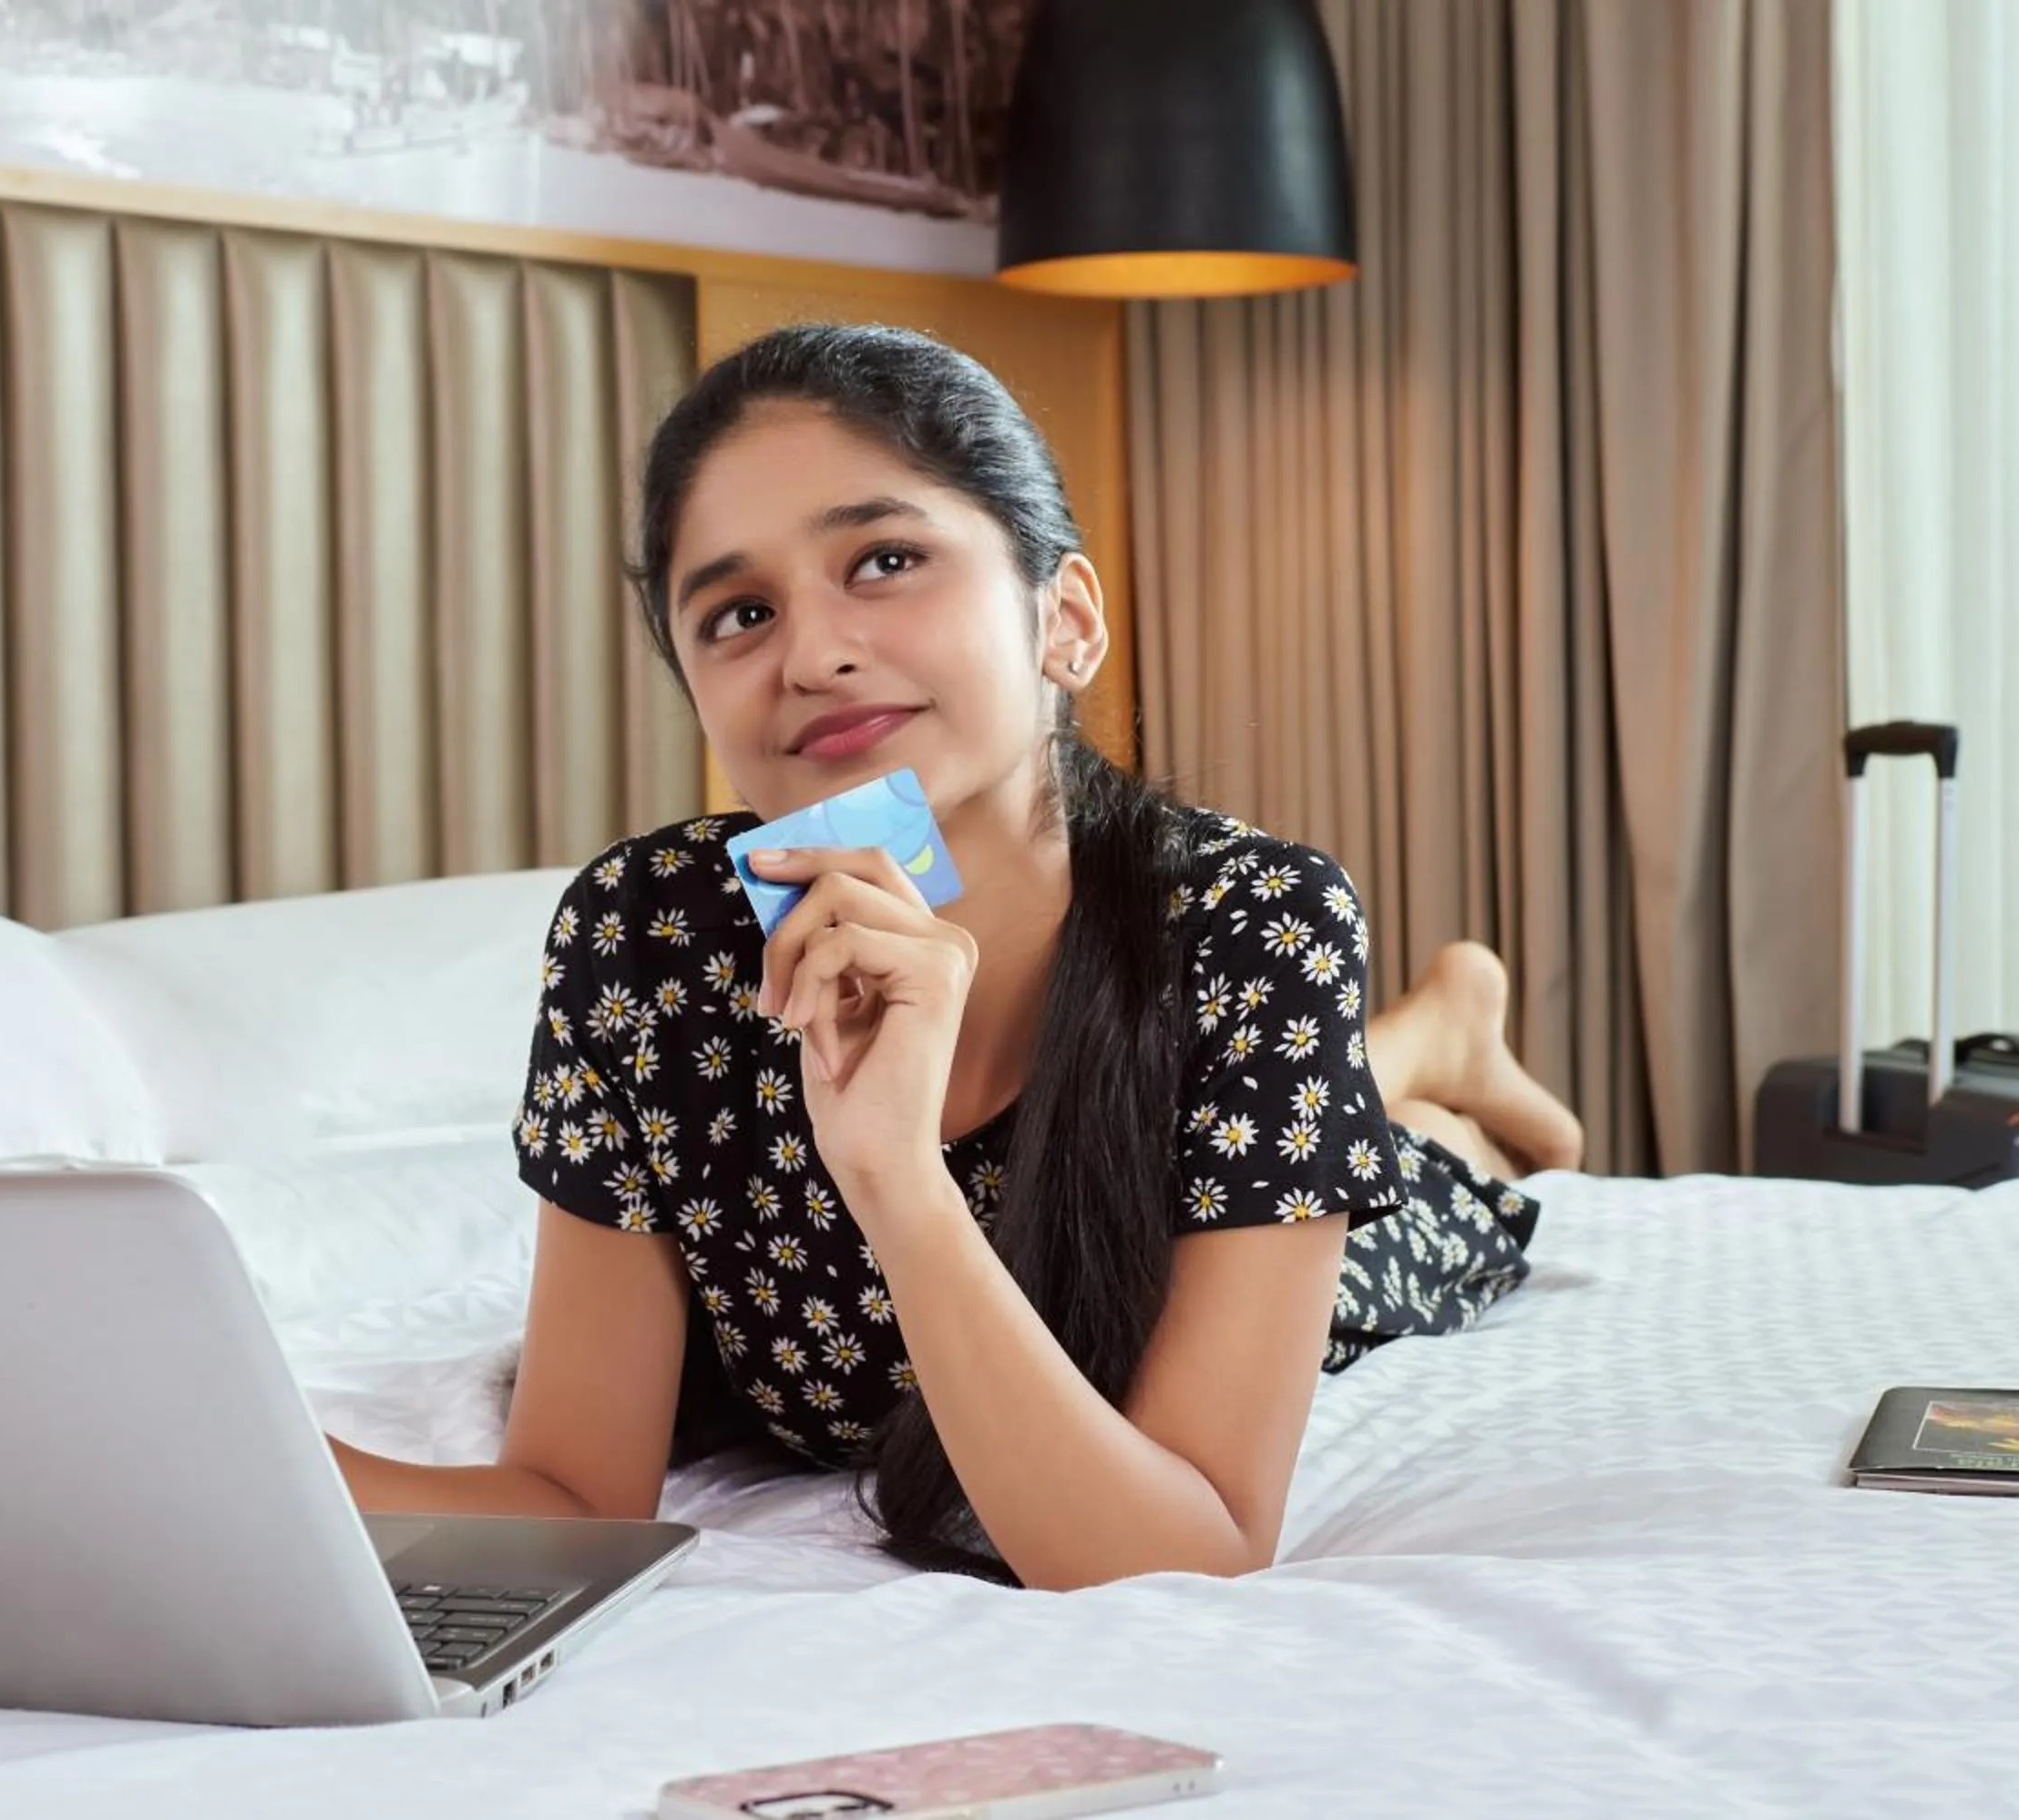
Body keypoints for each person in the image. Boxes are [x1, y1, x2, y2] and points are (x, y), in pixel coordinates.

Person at [331, 324, 1583, 1590]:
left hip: (1268, 1147)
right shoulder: (645, 942)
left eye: (884, 559)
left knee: (1420, 1186)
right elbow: (572, 1498)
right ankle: (1433, 1032)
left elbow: (1186, 1554)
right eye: (739, 612)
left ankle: (1441, 1043)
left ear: (1066, 619)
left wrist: (898, 1179)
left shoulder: (1256, 922)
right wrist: (187, 1442)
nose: (810, 652)